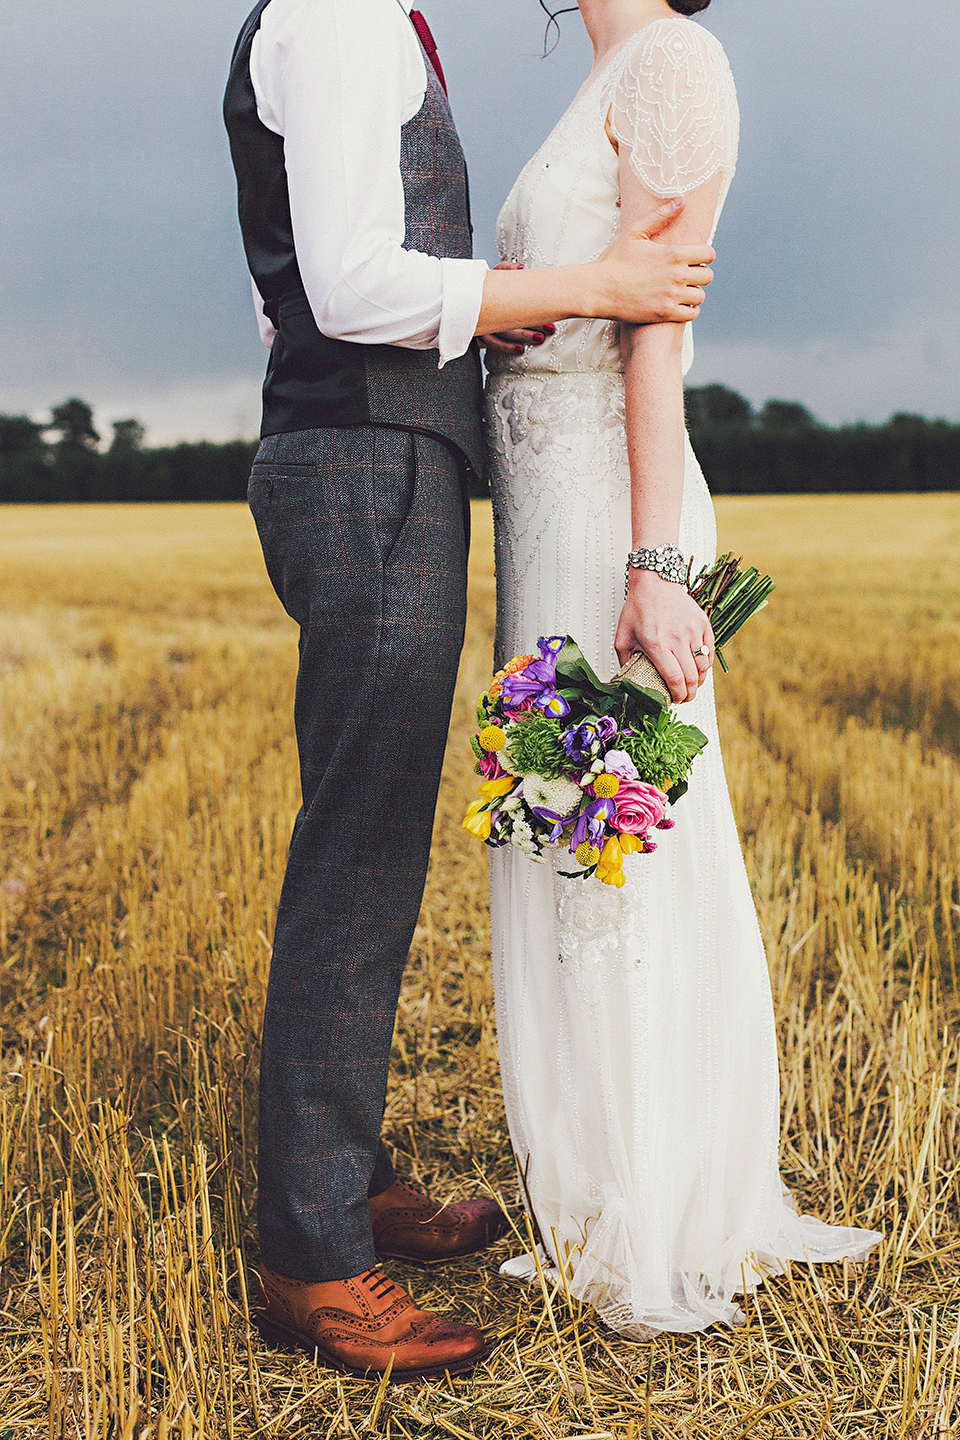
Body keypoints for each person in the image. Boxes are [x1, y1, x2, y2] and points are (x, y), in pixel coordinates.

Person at [223, 0, 718, 1379]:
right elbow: (347, 289)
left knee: (367, 844)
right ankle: (313, 1258)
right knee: (359, 858)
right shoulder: (333, 15)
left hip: (378, 452)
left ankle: (348, 1175)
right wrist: (585, 293)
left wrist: (471, 330)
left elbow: (299, 288)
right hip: (369, 465)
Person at [486, 0, 882, 1337]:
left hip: (612, 511)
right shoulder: (602, 67)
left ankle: (656, 1212)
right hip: (542, 512)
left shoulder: (671, 60)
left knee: (620, 854)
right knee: (559, 837)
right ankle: (600, 1192)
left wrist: (657, 562)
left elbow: (655, 327)